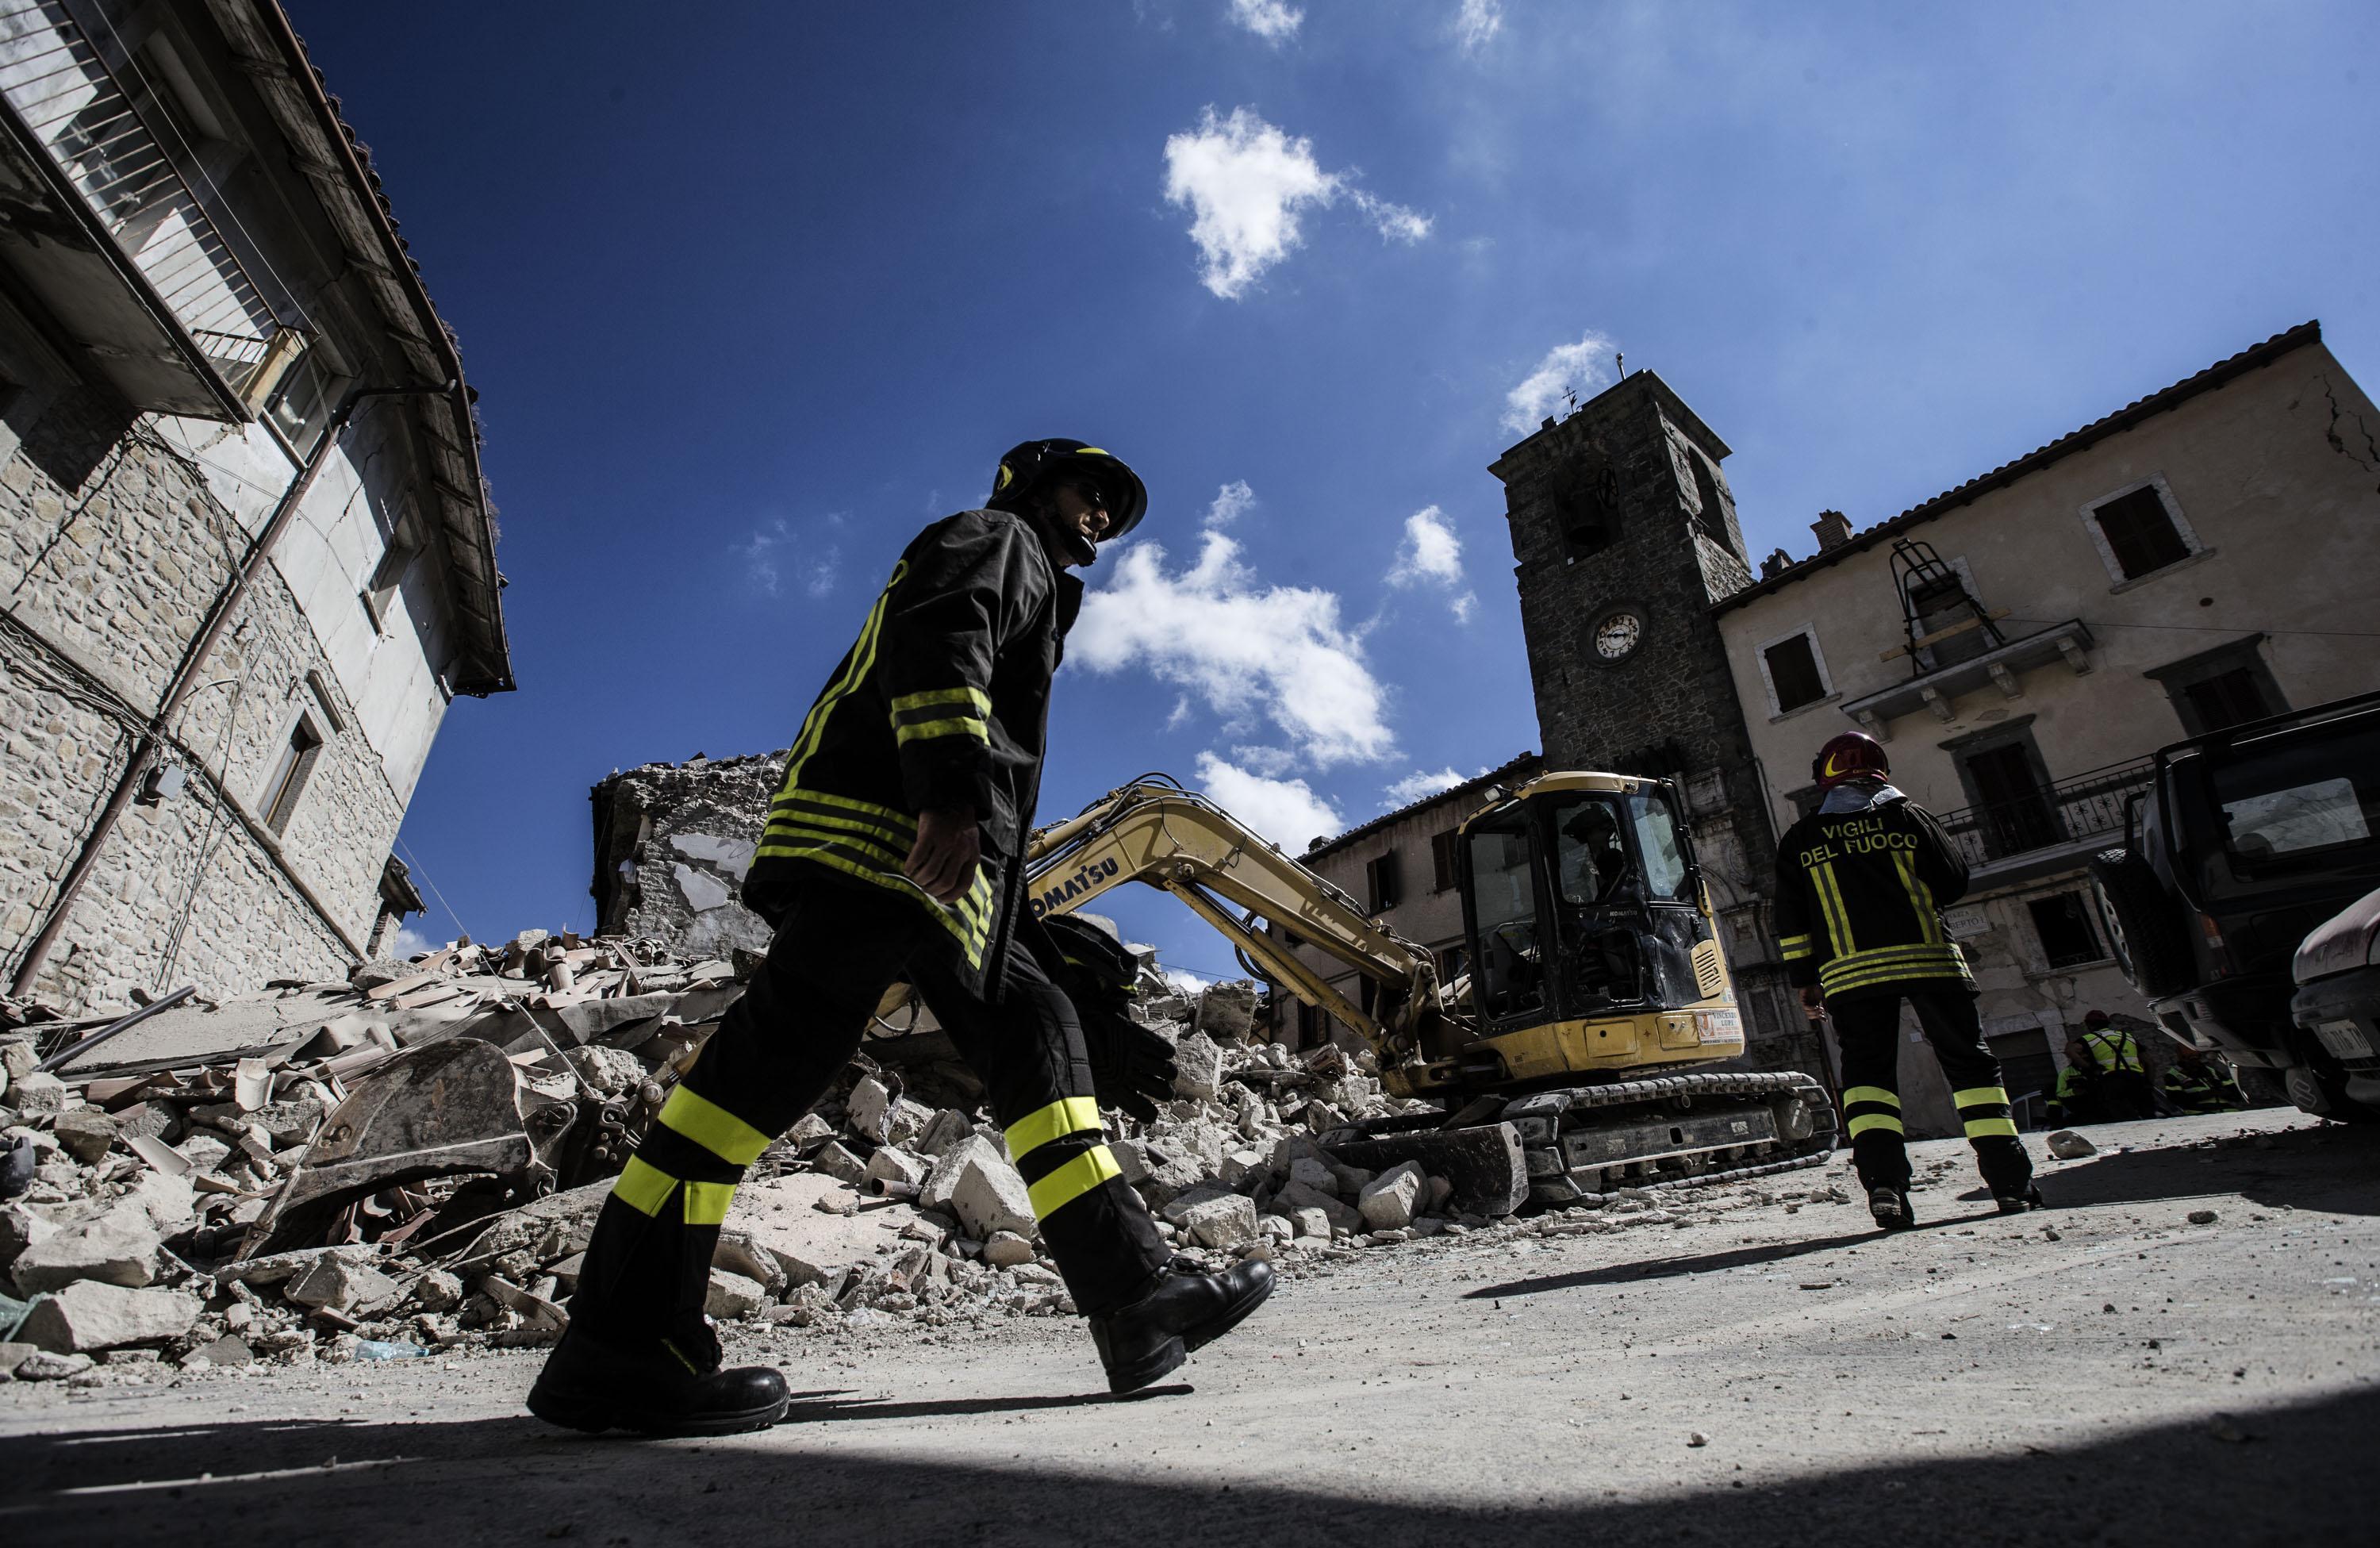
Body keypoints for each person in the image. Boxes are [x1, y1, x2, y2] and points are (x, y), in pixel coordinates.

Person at [528, 440, 1273, 1436]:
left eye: (1113, 507)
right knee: (760, 1073)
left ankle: (1137, 1296)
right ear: (1031, 484)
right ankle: (618, 1343)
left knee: (1038, 1025)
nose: (1100, 515)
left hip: (945, 880)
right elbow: (940, 636)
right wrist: (952, 795)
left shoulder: (1035, 579)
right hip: (883, 842)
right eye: (1089, 492)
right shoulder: (996, 538)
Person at [1774, 732, 2044, 1231]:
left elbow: (1790, 919)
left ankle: (1885, 1188)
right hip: (1931, 963)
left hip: (1851, 974)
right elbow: (1953, 882)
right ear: (1880, 771)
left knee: (1868, 1081)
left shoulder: (1802, 838)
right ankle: (2010, 1185)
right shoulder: (1910, 817)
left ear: (1823, 778)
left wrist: (1804, 980)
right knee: (1972, 1071)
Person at [2077, 1009, 2156, 1120]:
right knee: (2149, 1117)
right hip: (2136, 1079)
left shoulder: (2087, 1040)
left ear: (2088, 1025)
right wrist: (2149, 1084)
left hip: (2112, 1082)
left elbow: (2074, 1054)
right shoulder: (2128, 1036)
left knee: (2125, 1119)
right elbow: (2149, 1063)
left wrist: (2090, 1068)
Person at [2161, 1042, 2246, 1115]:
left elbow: (2237, 1095)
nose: (2194, 1059)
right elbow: (2177, 1100)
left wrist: (2222, 1092)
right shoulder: (2173, 1075)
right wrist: (2202, 1095)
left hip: (2229, 1113)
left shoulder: (2211, 1071)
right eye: (2190, 1056)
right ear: (2181, 1056)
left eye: (2196, 1055)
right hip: (2201, 1115)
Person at [2047, 1038, 2103, 1127]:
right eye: (2079, 1055)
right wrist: (2073, 1092)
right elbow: (2060, 1093)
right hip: (2081, 1112)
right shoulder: (2067, 1073)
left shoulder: (2099, 1069)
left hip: (2103, 1110)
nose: (2082, 1057)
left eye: (2084, 1054)